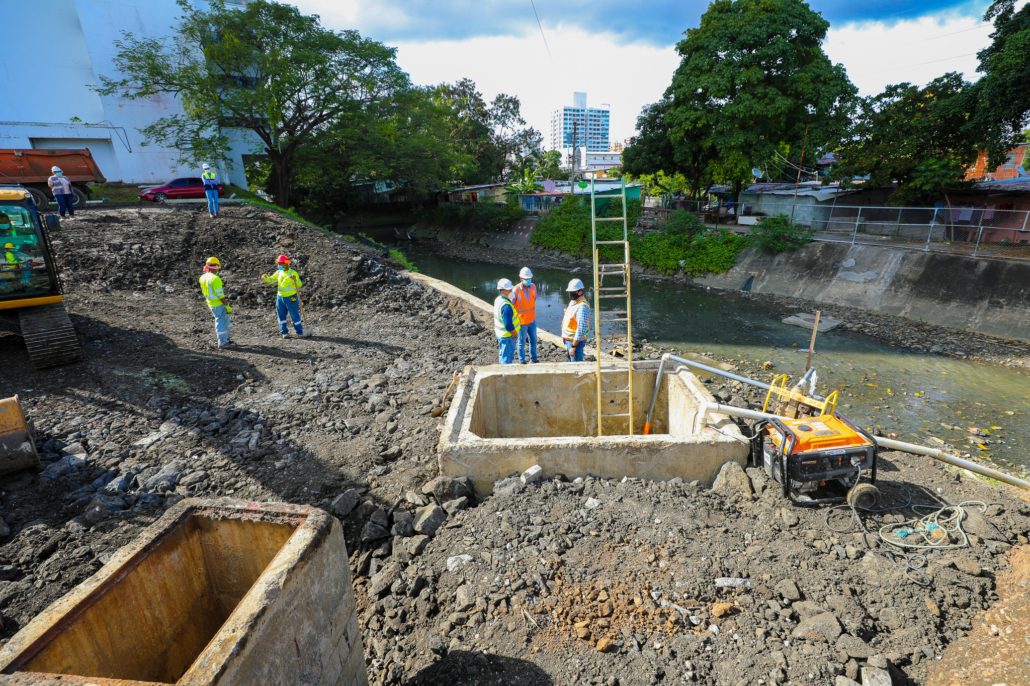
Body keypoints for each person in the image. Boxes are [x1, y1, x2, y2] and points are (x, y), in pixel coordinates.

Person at [262, 254, 305, 338]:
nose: (279, 265)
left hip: (291, 297)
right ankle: (284, 332)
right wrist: (266, 278)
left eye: (281, 263)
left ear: (286, 263)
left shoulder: (293, 273)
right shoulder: (279, 272)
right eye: (278, 263)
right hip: (280, 297)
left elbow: (299, 284)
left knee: (294, 315)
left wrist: (295, 280)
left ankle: (299, 332)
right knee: (281, 315)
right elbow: (271, 280)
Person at [198, 256, 233, 348]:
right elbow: (220, 295)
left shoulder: (202, 277)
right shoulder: (215, 279)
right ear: (217, 267)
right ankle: (223, 342)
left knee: (222, 320)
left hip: (210, 303)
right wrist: (227, 305)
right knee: (221, 322)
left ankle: (225, 339)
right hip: (218, 304)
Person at [511, 266, 538, 364]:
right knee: (521, 342)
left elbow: (534, 299)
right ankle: (522, 360)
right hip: (521, 321)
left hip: (532, 320)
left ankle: (534, 359)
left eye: (529, 279)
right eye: (526, 279)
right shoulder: (515, 290)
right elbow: (509, 303)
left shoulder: (533, 286)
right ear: (521, 279)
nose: (528, 280)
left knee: (534, 340)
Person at [562, 278, 591, 361]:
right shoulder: (573, 302)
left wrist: (574, 346)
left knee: (576, 366)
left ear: (580, 292)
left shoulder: (582, 307)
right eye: (569, 292)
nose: (570, 294)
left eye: (572, 292)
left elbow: (581, 328)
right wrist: (565, 336)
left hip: (575, 342)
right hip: (569, 339)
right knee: (571, 361)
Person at [493, 278, 521, 364]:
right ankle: (505, 375)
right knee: (507, 358)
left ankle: (502, 371)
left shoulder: (499, 299)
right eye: (509, 290)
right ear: (503, 291)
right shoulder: (506, 306)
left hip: (502, 335)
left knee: (503, 355)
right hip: (508, 336)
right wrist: (514, 333)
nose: (511, 291)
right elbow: (508, 325)